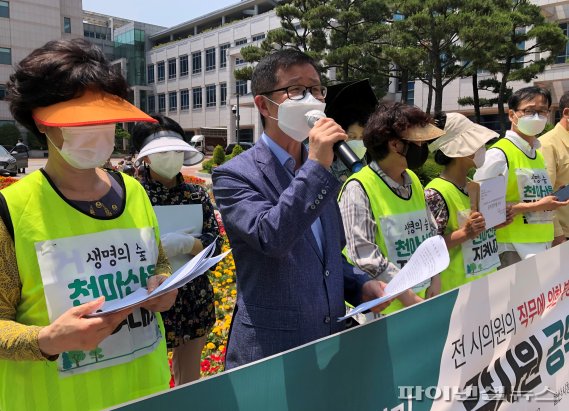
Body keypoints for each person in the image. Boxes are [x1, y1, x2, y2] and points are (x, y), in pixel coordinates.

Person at [0, 38, 177, 411]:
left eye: (103, 114)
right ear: (40, 121)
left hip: (146, 389)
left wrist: (163, 286)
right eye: (78, 118)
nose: (95, 128)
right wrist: (47, 340)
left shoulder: (133, 190)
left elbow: (156, 262)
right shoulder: (11, 209)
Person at [212, 49, 389, 369]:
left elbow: (327, 258)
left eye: (317, 89)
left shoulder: (323, 169)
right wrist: (318, 165)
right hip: (271, 354)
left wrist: (361, 285)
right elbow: (272, 237)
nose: (311, 99)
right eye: (296, 90)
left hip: (329, 345)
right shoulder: (234, 175)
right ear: (264, 104)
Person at [132, 114, 221, 385]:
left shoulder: (197, 195)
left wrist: (188, 244)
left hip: (193, 299)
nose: (170, 156)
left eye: (175, 149)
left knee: (189, 379)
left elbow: (215, 246)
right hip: (148, 300)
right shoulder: (131, 194)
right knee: (147, 381)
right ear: (144, 156)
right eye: (161, 151)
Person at [338, 102, 444, 314]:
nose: (423, 148)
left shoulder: (412, 179)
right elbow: (364, 254)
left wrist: (436, 278)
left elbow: (430, 232)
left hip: (420, 298)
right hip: (383, 309)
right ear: (395, 145)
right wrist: (408, 297)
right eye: (419, 143)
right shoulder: (358, 188)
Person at [474, 86, 569, 268]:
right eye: (529, 111)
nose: (537, 117)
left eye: (543, 112)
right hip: (511, 250)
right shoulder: (499, 154)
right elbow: (481, 207)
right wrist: (538, 205)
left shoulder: (537, 155)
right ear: (512, 115)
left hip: (542, 247)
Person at [425, 113, 512, 293]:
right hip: (455, 292)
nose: (483, 147)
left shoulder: (472, 185)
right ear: (460, 151)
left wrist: (495, 223)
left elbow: (478, 229)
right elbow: (428, 248)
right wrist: (465, 232)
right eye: (477, 143)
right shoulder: (435, 193)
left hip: (483, 283)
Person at [326, 79, 378, 182]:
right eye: (352, 136)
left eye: (362, 137)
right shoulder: (327, 165)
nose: (358, 143)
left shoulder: (365, 161)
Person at [539, 90, 569, 245]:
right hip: (563, 236)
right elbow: (545, 197)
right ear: (567, 112)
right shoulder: (547, 145)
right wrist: (559, 237)